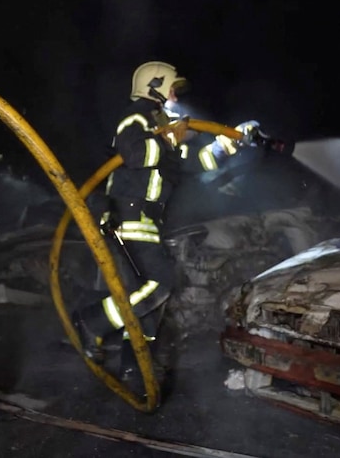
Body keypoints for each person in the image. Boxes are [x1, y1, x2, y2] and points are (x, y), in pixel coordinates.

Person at [71, 61, 260, 391]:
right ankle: (92, 322)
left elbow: (190, 165)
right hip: (128, 218)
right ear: (154, 87)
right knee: (160, 283)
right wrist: (168, 140)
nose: (175, 95)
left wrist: (228, 144)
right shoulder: (138, 116)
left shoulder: (162, 126)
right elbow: (132, 152)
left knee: (144, 303)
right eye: (172, 88)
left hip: (145, 221)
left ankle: (136, 368)